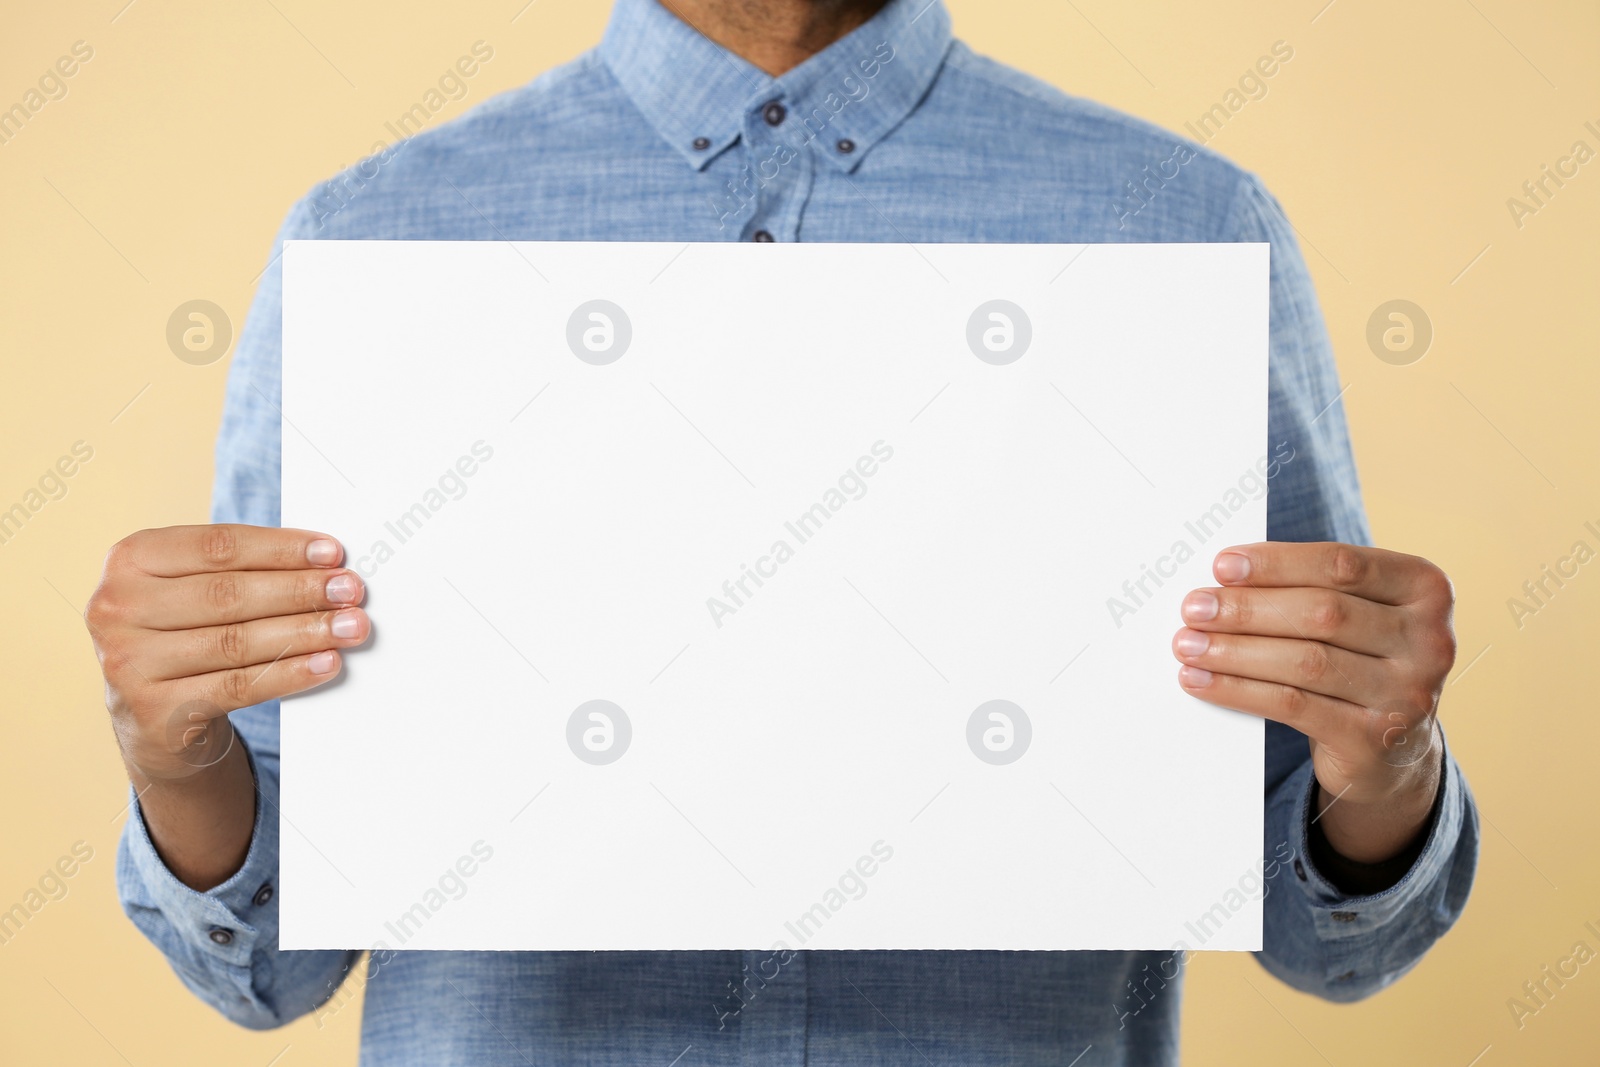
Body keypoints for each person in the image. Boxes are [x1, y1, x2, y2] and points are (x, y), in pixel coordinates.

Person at [87, 0, 1479, 1063]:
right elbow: (267, 962)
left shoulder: (1182, 231)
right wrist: (177, 752)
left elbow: (1328, 932)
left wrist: (1389, 761)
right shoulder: (373, 241)